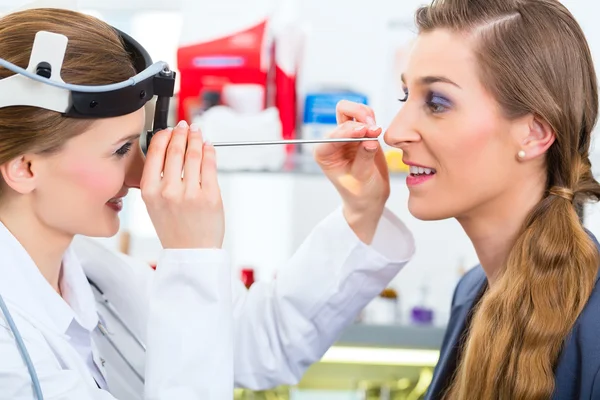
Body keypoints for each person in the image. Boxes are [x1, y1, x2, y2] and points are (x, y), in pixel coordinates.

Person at [0, 7, 416, 400]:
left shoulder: (94, 273)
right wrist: (190, 255)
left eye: (140, 143)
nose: (141, 175)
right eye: (120, 149)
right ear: (24, 167)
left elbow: (256, 343)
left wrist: (361, 210)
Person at [377, 0, 600, 398]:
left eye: (437, 103)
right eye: (405, 97)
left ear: (533, 134)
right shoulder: (471, 292)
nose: (394, 133)